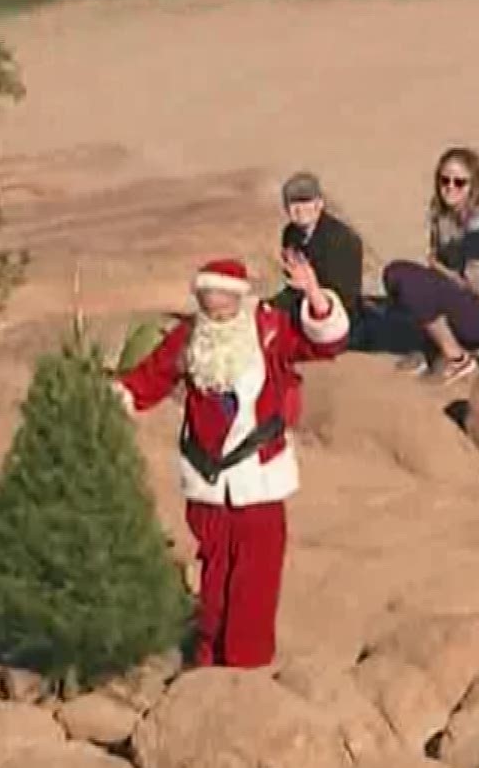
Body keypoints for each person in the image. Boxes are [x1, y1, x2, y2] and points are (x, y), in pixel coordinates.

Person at [115, 255, 348, 669]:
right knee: (215, 577)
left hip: (258, 475)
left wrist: (313, 293)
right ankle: (209, 659)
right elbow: (147, 381)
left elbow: (324, 343)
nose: (214, 301)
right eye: (206, 293)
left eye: (221, 293)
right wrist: (103, 401)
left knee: (255, 579)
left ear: (239, 295)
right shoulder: (188, 338)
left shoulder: (270, 330)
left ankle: (246, 664)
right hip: (206, 480)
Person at [381, 147, 479, 384]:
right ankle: (428, 348)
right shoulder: (443, 217)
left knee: (410, 281)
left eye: (459, 182)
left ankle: (457, 358)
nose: (450, 187)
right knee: (396, 276)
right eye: (444, 180)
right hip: (460, 302)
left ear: (473, 186)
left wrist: (439, 271)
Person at [273, 172, 365, 331]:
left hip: (336, 313)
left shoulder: (342, 239)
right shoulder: (290, 233)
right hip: (301, 298)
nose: (300, 209)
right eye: (293, 204)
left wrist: (310, 288)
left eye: (306, 202)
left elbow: (345, 294)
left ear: (319, 204)